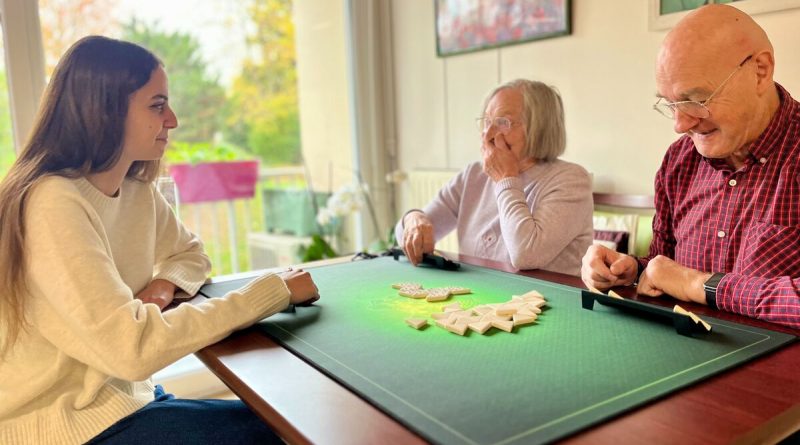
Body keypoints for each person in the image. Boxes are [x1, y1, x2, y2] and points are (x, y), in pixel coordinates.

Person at [0, 36, 320, 444]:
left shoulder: (136, 190)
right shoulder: (52, 202)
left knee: (290, 419)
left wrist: (164, 284)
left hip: (125, 400)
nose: (172, 120)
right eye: (157, 105)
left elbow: (191, 253)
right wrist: (272, 292)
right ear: (105, 111)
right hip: (61, 427)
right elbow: (130, 349)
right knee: (290, 429)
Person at [581, 4, 800, 329]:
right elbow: (666, 268)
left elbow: (685, 281)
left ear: (760, 70)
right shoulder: (679, 162)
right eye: (671, 104)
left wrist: (699, 285)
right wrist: (633, 271)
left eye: (696, 100)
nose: (680, 125)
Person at [395, 79, 593, 276]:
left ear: (539, 128)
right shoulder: (473, 175)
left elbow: (525, 255)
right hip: (478, 293)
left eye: (502, 122)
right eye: (487, 122)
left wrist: (506, 178)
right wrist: (413, 219)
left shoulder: (572, 180)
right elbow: (408, 235)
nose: (488, 134)